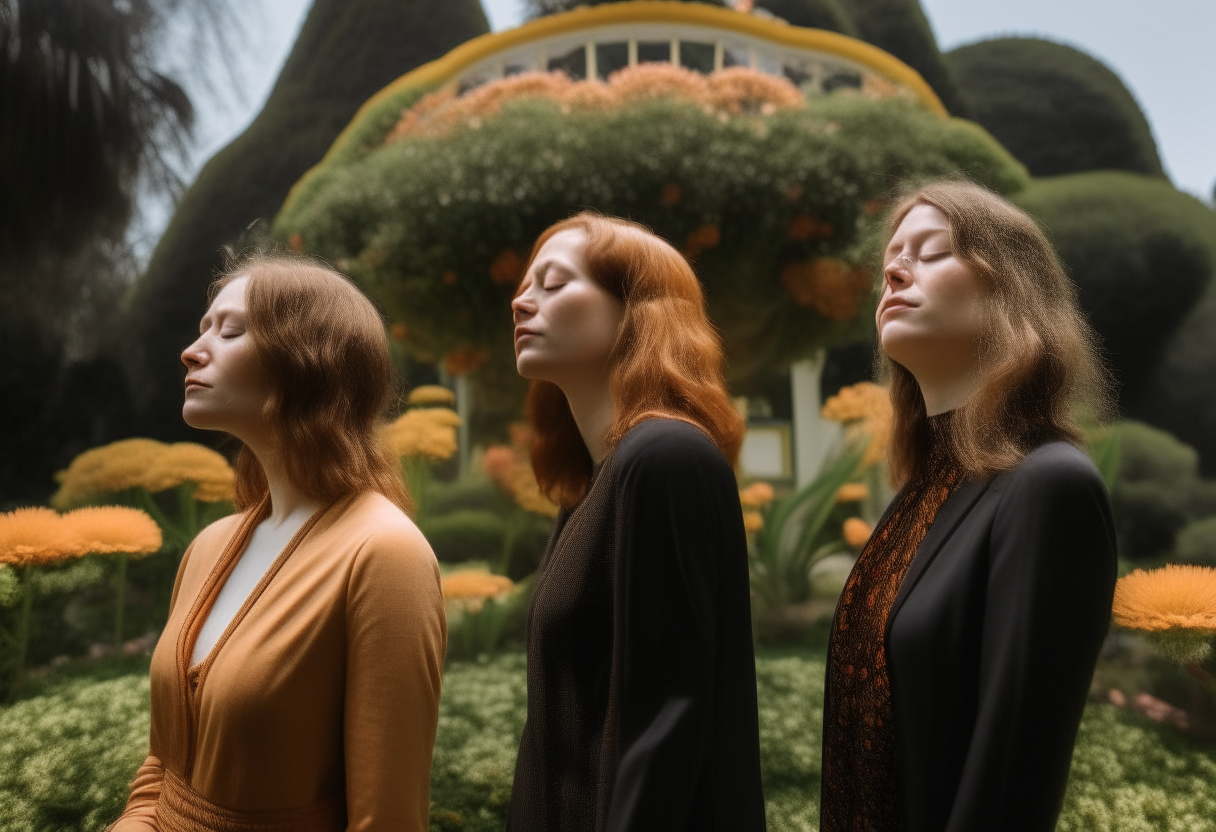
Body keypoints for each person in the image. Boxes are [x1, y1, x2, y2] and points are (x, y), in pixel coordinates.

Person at [819, 179, 1117, 832]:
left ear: (1008, 286)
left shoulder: (1048, 487)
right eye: (891, 260)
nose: (894, 271)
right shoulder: (922, 493)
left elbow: (1012, 781)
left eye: (930, 252)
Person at [110, 254, 446, 832]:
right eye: (202, 327)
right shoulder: (209, 547)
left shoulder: (385, 555)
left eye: (230, 330)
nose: (192, 350)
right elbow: (161, 770)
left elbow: (387, 820)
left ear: (306, 359)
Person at [505, 213, 767, 832]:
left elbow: (669, 720)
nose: (521, 300)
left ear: (636, 311)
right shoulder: (593, 485)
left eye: (553, 282)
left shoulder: (665, 459)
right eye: (525, 284)